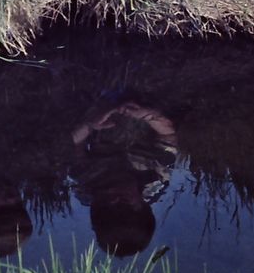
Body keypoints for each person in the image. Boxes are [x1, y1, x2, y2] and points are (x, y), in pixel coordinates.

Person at [70, 101, 178, 256]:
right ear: (143, 204)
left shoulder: (84, 182)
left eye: (106, 207)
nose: (114, 198)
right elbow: (168, 136)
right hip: (140, 119)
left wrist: (90, 124)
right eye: (124, 202)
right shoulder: (155, 178)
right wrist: (147, 114)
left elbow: (72, 145)